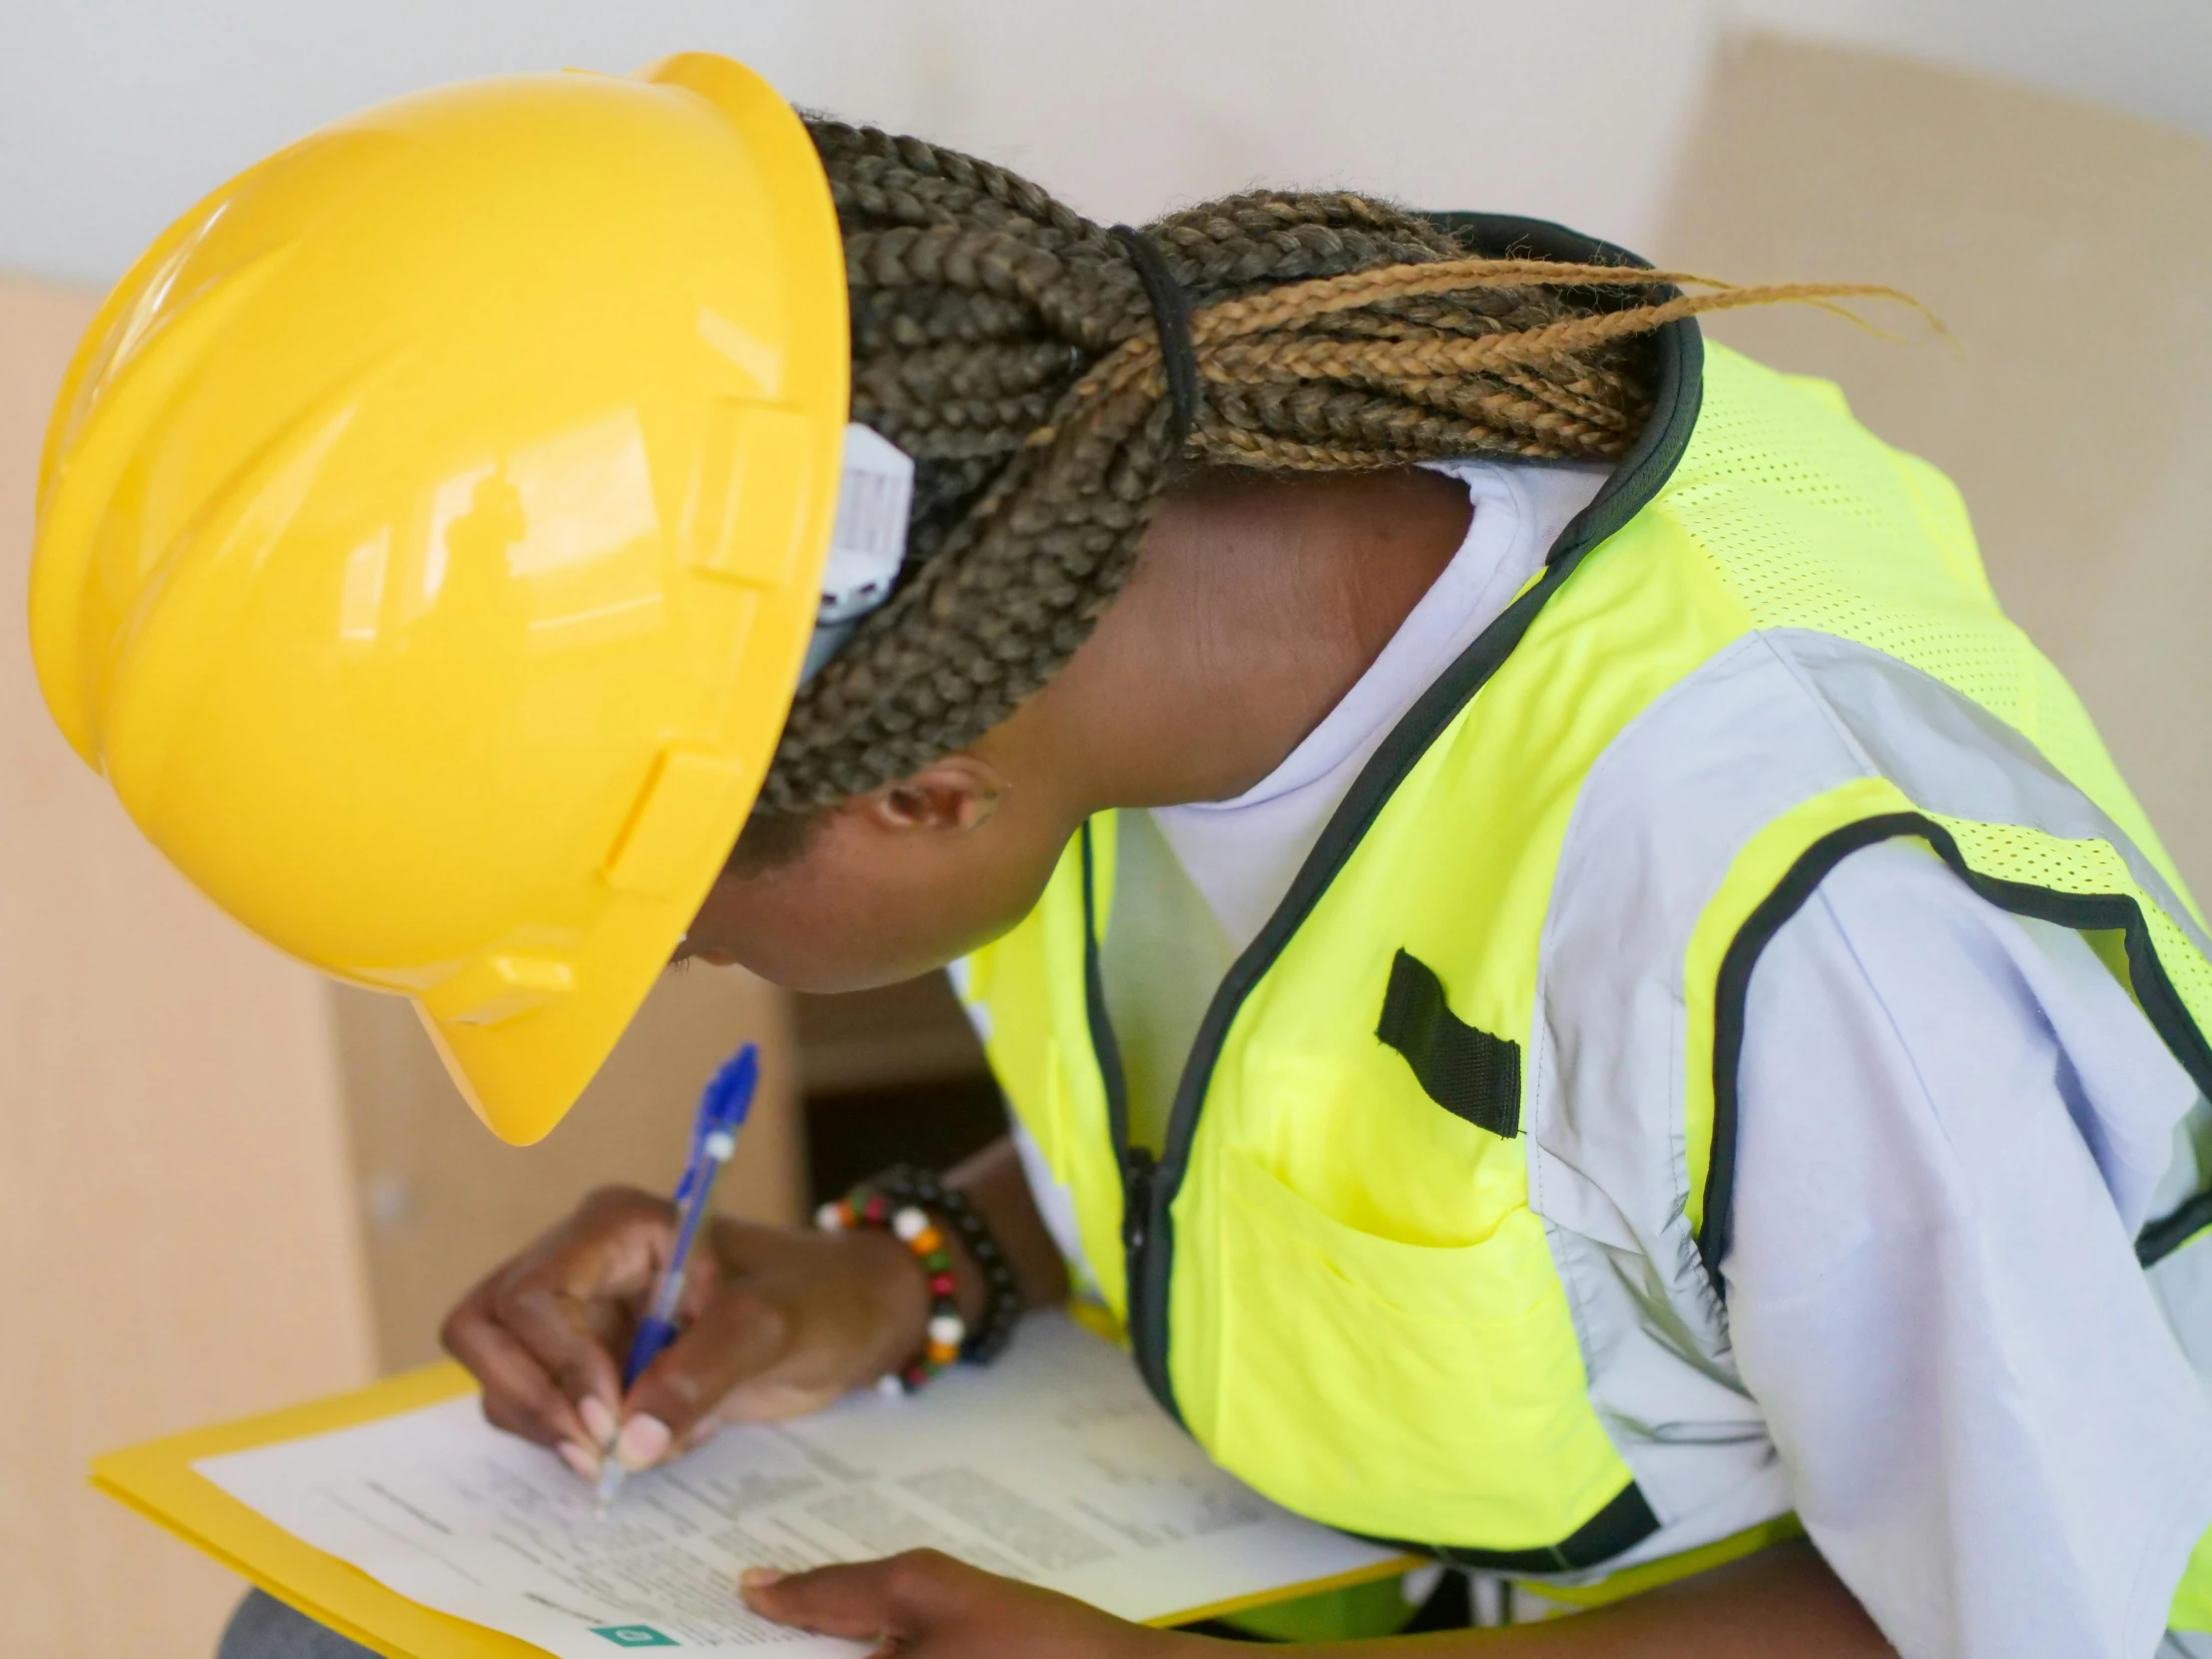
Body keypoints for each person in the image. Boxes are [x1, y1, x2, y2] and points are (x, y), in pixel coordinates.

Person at [31, 52, 2212, 1659]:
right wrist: (895, 1271)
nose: (684, 974)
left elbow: (2035, 1613)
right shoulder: (1096, 555)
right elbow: (1334, 1141)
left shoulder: (1797, 909)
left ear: (914, 786)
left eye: (669, 924)